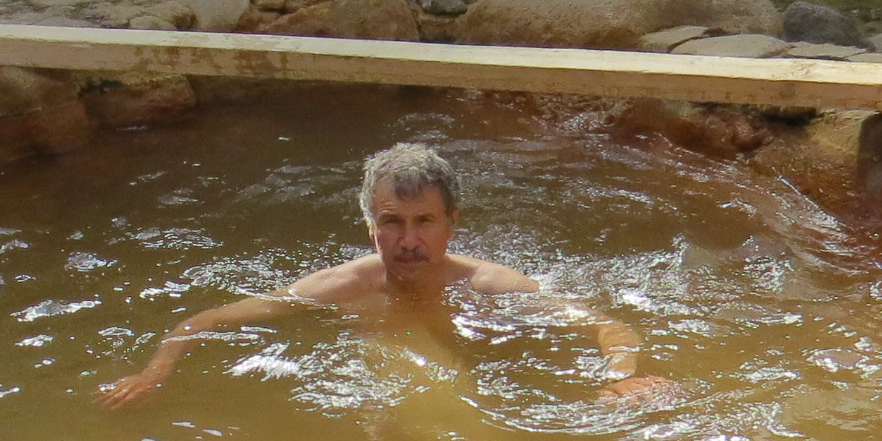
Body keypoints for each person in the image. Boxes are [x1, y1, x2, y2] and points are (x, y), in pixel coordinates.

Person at [96, 141, 680, 410]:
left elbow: (608, 327)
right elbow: (207, 320)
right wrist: (155, 370)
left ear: (451, 222)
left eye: (424, 222)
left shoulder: (489, 285)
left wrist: (622, 376)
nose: (408, 241)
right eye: (392, 222)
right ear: (369, 225)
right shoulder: (340, 288)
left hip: (477, 366)